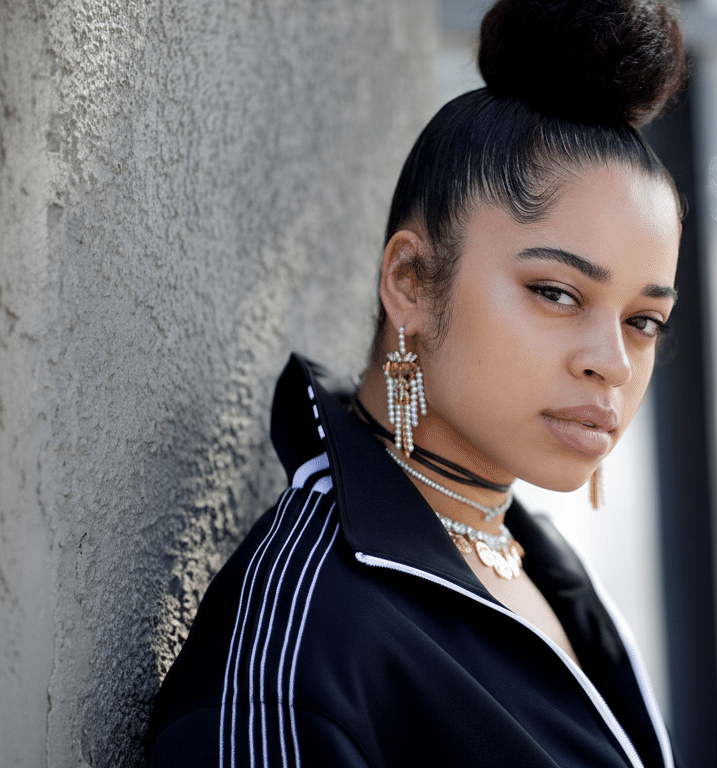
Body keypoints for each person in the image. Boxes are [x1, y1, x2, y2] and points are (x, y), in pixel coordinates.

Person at [147, 0, 687, 765]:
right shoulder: (307, 644)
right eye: (557, 293)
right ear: (410, 278)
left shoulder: (538, 563)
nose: (613, 362)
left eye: (644, 320)